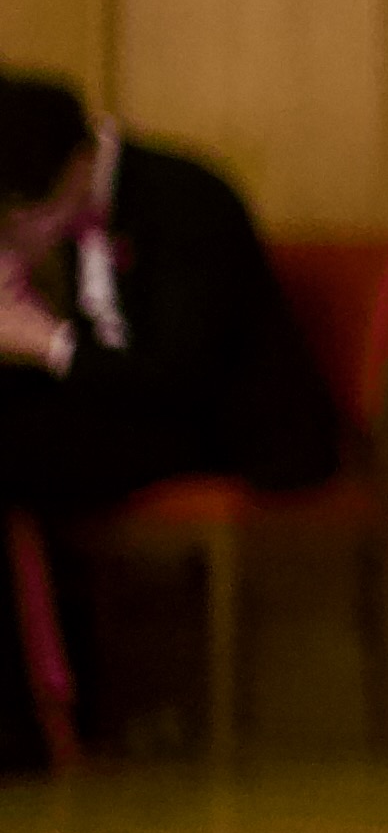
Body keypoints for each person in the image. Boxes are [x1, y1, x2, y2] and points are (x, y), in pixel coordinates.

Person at [0, 75, 343, 771]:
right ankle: (49, 712)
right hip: (130, 411)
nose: (19, 231)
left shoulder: (184, 197)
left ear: (78, 165)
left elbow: (180, 377)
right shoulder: (63, 204)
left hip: (226, 425)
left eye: (21, 214)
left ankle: (24, 731)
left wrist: (45, 340)